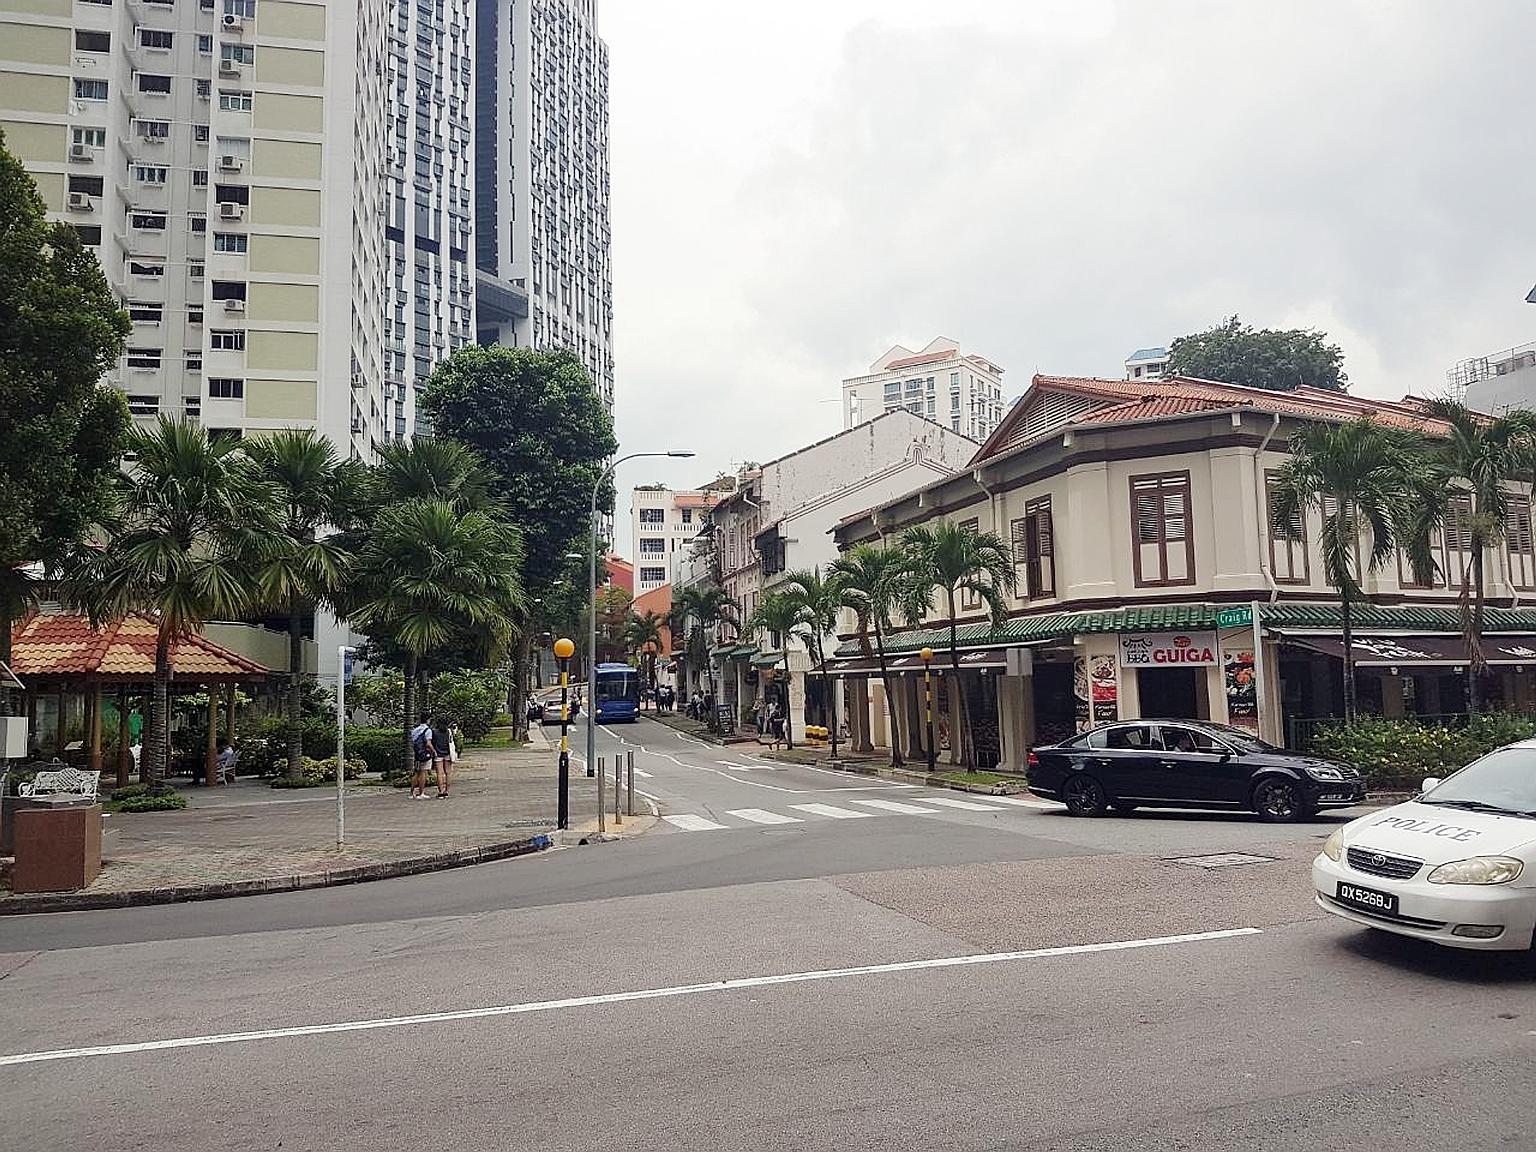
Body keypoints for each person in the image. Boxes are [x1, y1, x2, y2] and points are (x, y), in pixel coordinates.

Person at [409, 717, 435, 800]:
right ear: (428, 720)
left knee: (416, 772)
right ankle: (421, 793)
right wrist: (433, 751)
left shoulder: (415, 730)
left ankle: (412, 792)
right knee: (423, 772)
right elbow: (428, 743)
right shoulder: (428, 730)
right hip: (425, 753)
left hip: (417, 753)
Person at [430, 716, 454, 799]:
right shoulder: (449, 731)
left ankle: (440, 792)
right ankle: (446, 791)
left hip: (438, 754)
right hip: (447, 753)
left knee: (439, 773)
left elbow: (432, 742)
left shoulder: (434, 732)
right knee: (448, 773)